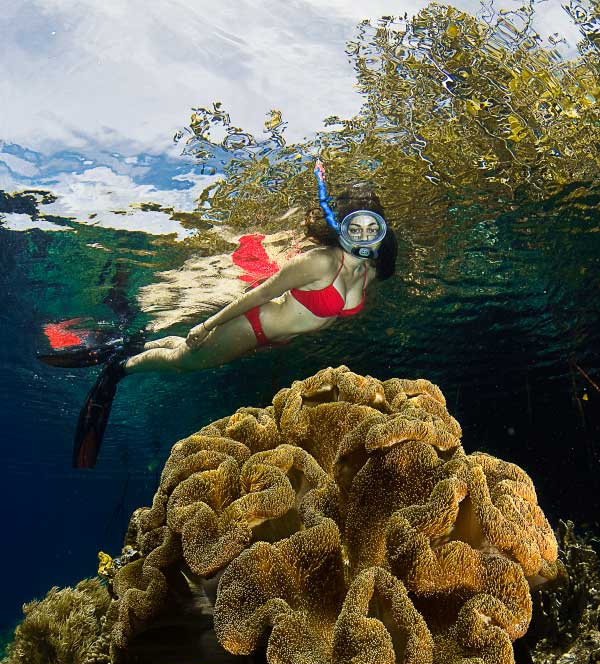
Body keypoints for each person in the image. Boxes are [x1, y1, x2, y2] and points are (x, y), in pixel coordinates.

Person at [38, 164, 397, 467]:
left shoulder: (368, 269)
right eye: (355, 227)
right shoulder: (319, 261)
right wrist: (208, 323)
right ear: (342, 227)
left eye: (372, 228)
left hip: (274, 338)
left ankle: (136, 344)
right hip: (254, 326)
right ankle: (118, 369)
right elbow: (261, 292)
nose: (364, 236)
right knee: (185, 361)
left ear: (381, 229)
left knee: (185, 351)